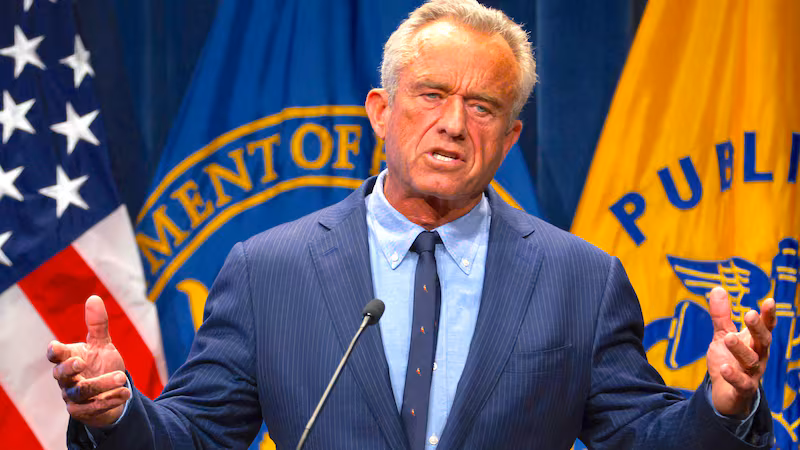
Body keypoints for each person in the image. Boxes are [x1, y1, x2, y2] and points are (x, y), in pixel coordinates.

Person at [49, 0, 777, 448]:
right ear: (380, 111)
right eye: (431, 94)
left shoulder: (579, 281)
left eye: (484, 107)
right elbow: (199, 437)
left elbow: (640, 440)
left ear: (511, 136)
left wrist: (720, 406)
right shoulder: (269, 270)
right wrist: (117, 415)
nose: (454, 125)